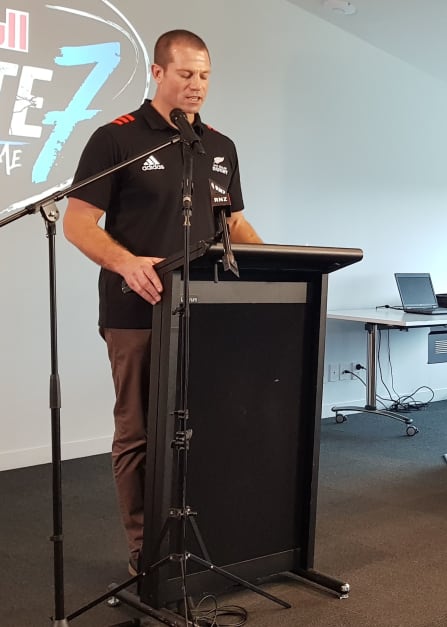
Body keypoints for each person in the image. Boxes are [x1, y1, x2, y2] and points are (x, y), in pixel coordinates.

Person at [63, 30, 262, 575]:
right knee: (140, 431)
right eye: (185, 74)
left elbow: (234, 222)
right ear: (157, 73)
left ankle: (196, 538)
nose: (196, 85)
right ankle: (145, 554)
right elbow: (77, 223)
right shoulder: (118, 138)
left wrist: (275, 265)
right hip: (137, 312)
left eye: (204, 75)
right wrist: (126, 262)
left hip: (207, 311)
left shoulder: (219, 146)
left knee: (205, 424)